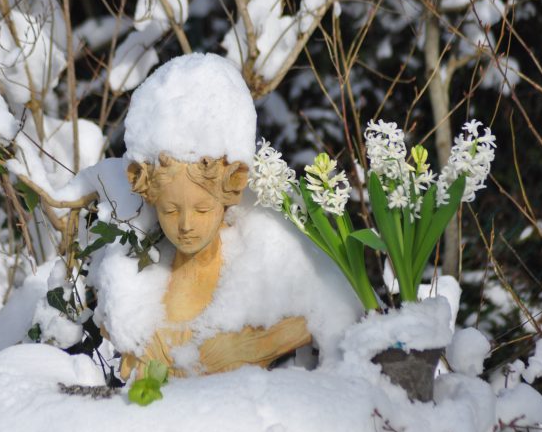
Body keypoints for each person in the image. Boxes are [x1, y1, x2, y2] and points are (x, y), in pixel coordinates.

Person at [90, 53, 361, 380]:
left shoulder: (272, 267)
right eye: (170, 210)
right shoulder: (132, 290)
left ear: (228, 195)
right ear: (151, 200)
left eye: (202, 209)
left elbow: (338, 307)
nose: (186, 225)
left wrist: (241, 348)